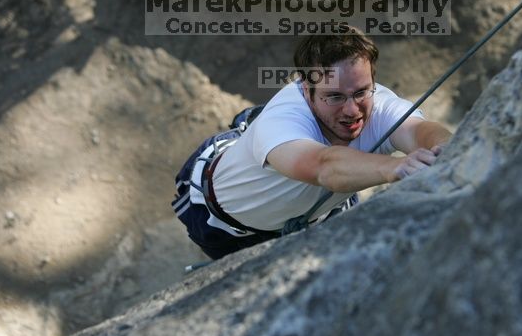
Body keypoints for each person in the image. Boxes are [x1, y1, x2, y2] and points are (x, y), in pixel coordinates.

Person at [173, 27, 452, 259]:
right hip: (219, 221)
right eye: (334, 97)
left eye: (361, 92)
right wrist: (396, 167)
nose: (353, 111)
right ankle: (252, 131)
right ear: (307, 90)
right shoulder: (282, 119)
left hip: (319, 211)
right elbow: (324, 167)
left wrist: (448, 148)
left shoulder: (379, 104)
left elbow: (420, 131)